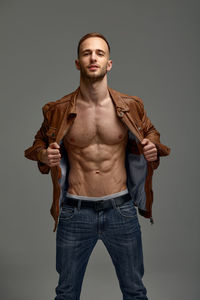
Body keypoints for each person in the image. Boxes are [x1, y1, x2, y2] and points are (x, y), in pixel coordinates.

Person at [24, 32, 171, 300]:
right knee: (66, 293)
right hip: (74, 212)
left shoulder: (130, 106)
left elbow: (151, 133)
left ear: (109, 64)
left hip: (121, 211)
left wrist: (151, 144)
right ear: (78, 63)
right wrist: (45, 156)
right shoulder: (57, 109)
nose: (93, 58)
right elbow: (35, 146)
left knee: (135, 292)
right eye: (87, 53)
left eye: (100, 53)